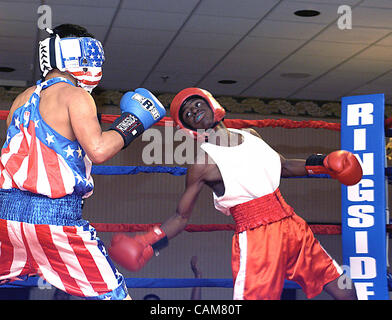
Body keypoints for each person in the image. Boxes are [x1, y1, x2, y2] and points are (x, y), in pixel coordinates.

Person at [109, 88, 362, 300]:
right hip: (256, 237)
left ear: (212, 104)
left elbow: (283, 166)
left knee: (340, 285)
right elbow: (181, 217)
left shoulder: (250, 135)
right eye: (187, 114)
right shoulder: (203, 163)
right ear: (188, 127)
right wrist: (147, 243)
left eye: (197, 104)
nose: (194, 110)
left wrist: (323, 163)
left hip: (292, 224)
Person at [0, 24, 166, 300]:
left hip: (5, 216)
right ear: (70, 53)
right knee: (113, 296)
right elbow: (98, 149)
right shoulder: (76, 96)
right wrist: (136, 120)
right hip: (55, 218)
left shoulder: (21, 99)